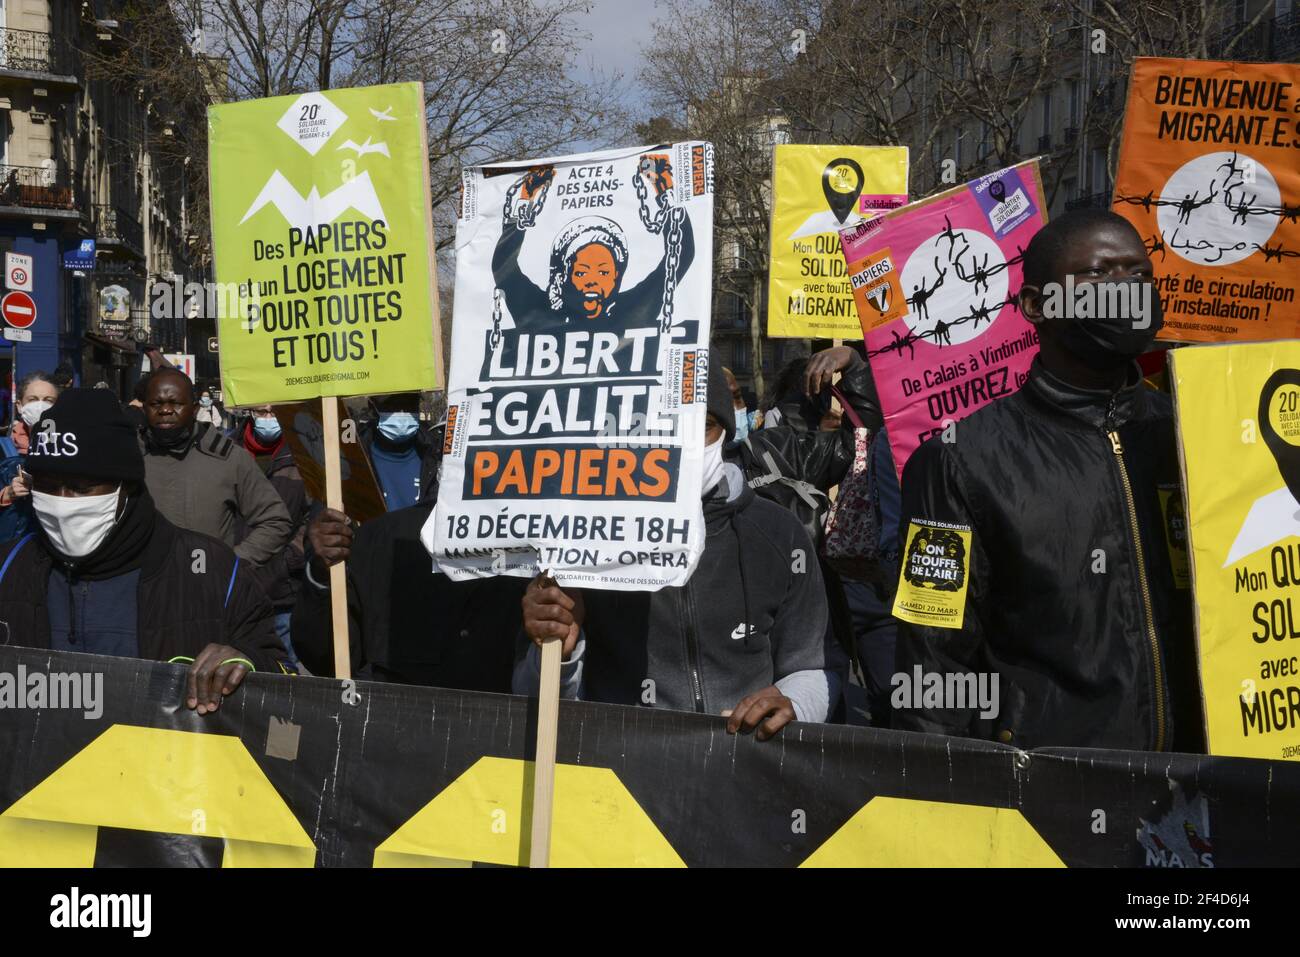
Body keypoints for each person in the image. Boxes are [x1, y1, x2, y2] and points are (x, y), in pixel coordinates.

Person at [892, 208, 1201, 751]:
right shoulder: (957, 460)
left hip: (1209, 789)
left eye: (1139, 276)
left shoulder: (1195, 438)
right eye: (1100, 275)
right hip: (1048, 795)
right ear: (1037, 305)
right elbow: (933, 658)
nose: (1125, 291)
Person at [517, 367, 842, 740]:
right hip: (619, 778)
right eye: (661, 426)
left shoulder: (778, 532)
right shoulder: (574, 540)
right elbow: (531, 698)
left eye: (701, 424)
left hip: (747, 772)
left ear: (725, 432)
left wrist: (793, 703)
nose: (680, 444)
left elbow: (816, 667)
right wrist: (558, 655)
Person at [0, 389, 288, 713]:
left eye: (82, 488)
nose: (63, 503)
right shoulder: (8, 568)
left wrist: (244, 664)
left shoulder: (215, 572)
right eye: (49, 487)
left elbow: (282, 677)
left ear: (127, 487)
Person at [291, 501, 526, 689]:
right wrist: (322, 573)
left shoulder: (546, 552)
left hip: (501, 735)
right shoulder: (382, 538)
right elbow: (329, 659)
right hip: (386, 731)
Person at [141, 368, 293, 565]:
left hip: (208, 591)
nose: (165, 410)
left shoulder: (230, 458)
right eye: (156, 404)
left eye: (176, 403)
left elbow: (275, 521)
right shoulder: (127, 459)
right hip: (142, 590)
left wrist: (230, 566)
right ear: (145, 408)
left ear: (195, 409)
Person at [236, 406, 310, 669]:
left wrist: (289, 560)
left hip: (282, 590)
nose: (268, 419)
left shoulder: (304, 453)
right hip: (234, 586)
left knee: (286, 672)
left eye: (273, 412)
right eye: (261, 412)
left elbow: (314, 515)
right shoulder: (227, 450)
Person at [0, 371, 60, 539]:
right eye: (32, 399)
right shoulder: (4, 447)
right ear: (19, 405)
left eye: (49, 400)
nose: (40, 406)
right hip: (13, 547)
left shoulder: (67, 447)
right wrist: (8, 493)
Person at [359, 393, 440, 509]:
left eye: (409, 404)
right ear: (372, 407)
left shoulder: (438, 453)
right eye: (392, 405)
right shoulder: (354, 455)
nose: (402, 413)